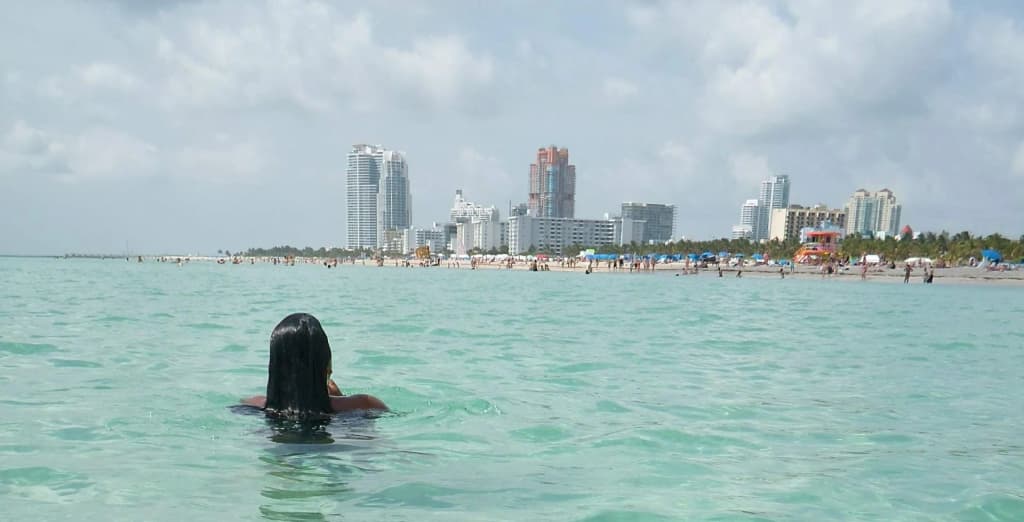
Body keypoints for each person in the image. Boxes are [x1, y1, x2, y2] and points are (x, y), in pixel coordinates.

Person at [241, 313, 387, 418]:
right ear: (327, 364)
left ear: (274, 365)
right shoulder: (364, 404)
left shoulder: (251, 405)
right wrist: (340, 398)